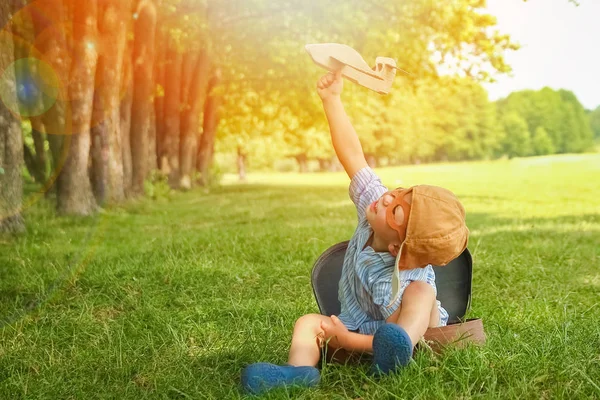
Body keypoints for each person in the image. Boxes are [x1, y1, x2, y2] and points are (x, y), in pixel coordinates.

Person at [241, 71, 469, 395]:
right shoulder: (372, 208)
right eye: (400, 192)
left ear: (396, 249)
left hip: (411, 331)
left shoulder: (399, 278)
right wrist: (331, 100)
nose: (388, 198)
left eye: (396, 210)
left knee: (422, 293)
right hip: (362, 322)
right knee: (308, 323)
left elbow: (389, 327)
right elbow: (353, 155)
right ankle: (299, 372)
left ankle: (398, 355)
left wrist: (348, 342)